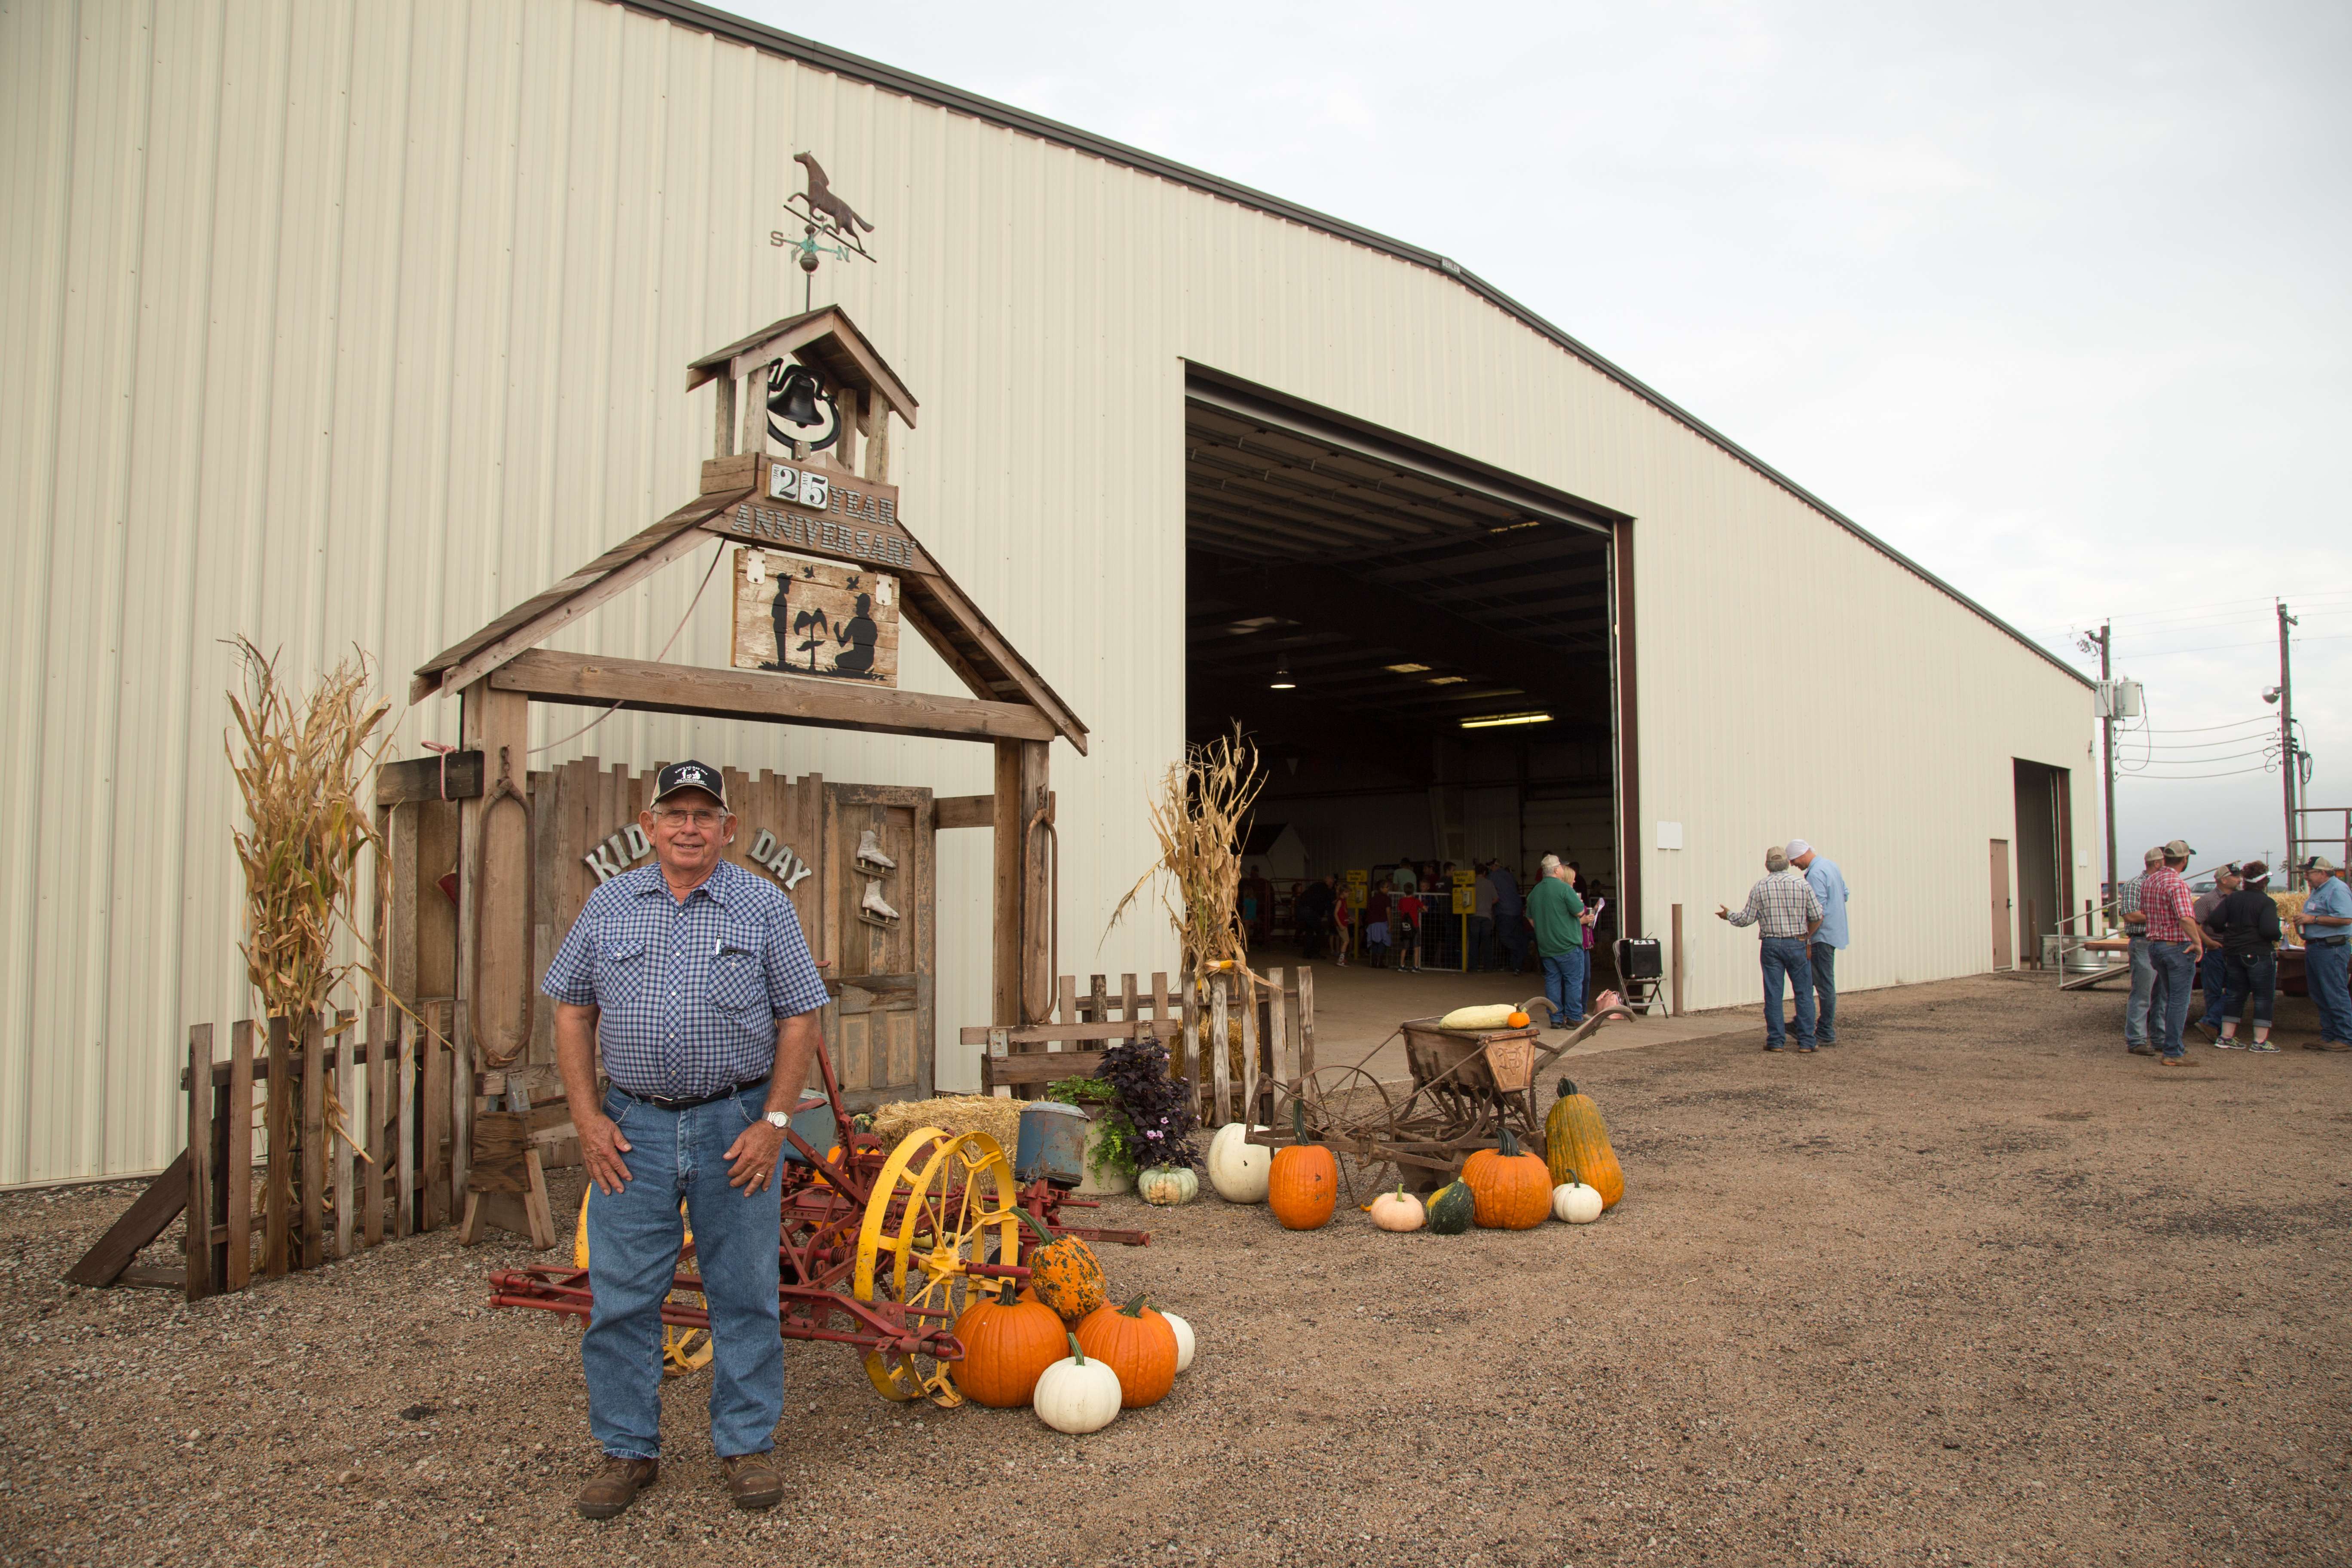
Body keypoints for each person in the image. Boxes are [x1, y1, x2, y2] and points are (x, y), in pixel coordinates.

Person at [544, 760, 833, 1519]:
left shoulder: (761, 904)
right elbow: (571, 1009)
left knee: (743, 1291)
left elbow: (801, 1014)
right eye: (675, 813)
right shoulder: (609, 904)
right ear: (651, 824)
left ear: (727, 829)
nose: (689, 827)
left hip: (733, 1124)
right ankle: (628, 1449)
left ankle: (744, 1444)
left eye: (705, 814)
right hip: (631, 1128)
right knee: (621, 1296)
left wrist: (774, 1124)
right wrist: (587, 1119)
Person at [1718, 846, 1824, 1052]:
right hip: (1797, 942)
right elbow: (1817, 915)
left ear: (1767, 865)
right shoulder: (1802, 885)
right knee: (1803, 993)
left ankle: (1776, 1041)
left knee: (1773, 993)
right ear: (1787, 863)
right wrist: (1807, 936)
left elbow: (1745, 919)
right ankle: (1807, 1042)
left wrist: (1728, 914)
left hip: (1771, 944)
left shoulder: (1760, 887)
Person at [2138, 839, 2205, 1066]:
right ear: (2185, 860)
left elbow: (2146, 912)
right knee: (2179, 1000)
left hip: (2156, 945)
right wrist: (2197, 942)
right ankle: (2173, 1051)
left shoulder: (2150, 882)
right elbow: (2186, 917)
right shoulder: (2178, 884)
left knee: (2167, 997)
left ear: (2164, 858)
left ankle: (2169, 1045)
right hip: (2176, 946)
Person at [1785, 839, 1850, 1045]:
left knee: (1823, 984)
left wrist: (1807, 937)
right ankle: (1802, 1023)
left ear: (1802, 855)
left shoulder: (1814, 874)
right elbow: (1845, 894)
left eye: (1795, 861)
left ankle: (1825, 1031)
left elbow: (1817, 911)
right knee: (1812, 980)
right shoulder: (1831, 866)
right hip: (1833, 932)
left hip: (1821, 936)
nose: (1795, 865)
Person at [2213, 861, 2281, 1052]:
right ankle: (2260, 1042)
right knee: (2263, 997)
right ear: (2264, 882)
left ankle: (2226, 1037)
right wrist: (2279, 935)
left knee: (2234, 994)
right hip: (2259, 953)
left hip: (2233, 953)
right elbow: (2269, 931)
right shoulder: (2266, 902)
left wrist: (2229, 931)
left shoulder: (2232, 899)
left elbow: (2215, 921)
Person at [2295, 855, 2352, 1050]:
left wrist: (2313, 920)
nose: (2306, 877)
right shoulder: (2320, 890)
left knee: (2335, 992)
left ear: (2322, 873)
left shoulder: (2337, 889)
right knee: (2320, 993)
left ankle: (2345, 1038)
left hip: (2331, 948)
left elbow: (2346, 919)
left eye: (2309, 873)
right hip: (2318, 947)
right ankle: (2329, 1035)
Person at [2116, 847, 2167, 1056]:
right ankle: (2136, 1040)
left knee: (2162, 994)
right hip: (2143, 941)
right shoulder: (2135, 885)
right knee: (2143, 993)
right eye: (2166, 862)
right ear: (2157, 864)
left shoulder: (2162, 885)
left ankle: (2159, 1038)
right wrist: (2161, 915)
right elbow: (2130, 915)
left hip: (2160, 941)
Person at [1527, 854, 1589, 1025]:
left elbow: (1531, 919)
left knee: (1553, 981)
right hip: (1568, 945)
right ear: (1556, 870)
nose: (1563, 869)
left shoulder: (1535, 892)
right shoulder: (1564, 889)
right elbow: (1579, 912)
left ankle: (1556, 1018)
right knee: (1574, 982)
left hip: (1547, 947)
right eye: (1561, 866)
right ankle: (1574, 1017)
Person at [2191, 863, 2242, 1042]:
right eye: (2235, 876)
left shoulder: (2240, 898)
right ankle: (2216, 1029)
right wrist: (2208, 942)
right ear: (2223, 879)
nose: (2239, 879)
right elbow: (2194, 923)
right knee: (2213, 990)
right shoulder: (2207, 900)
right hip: (2216, 949)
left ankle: (2211, 1023)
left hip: (2235, 949)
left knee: (2237, 989)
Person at [1492, 860, 1528, 974]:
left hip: (1505, 912)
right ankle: (1517, 965)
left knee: (1505, 937)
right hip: (1517, 910)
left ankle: (1519, 954)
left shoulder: (1493, 876)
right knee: (1516, 936)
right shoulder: (1510, 876)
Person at [1471, 861, 1499, 971]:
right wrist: (1488, 904)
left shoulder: (1472, 883)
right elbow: (1496, 898)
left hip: (1474, 916)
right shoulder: (1490, 883)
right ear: (1484, 872)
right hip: (1487, 916)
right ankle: (1488, 967)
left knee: (1474, 943)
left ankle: (1472, 967)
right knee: (1487, 943)